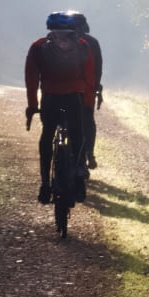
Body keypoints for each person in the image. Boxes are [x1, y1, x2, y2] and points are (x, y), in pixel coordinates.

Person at [25, 11, 96, 205]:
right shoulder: (82, 46)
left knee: (47, 136)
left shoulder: (38, 47)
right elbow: (89, 78)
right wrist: (88, 103)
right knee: (78, 135)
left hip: (50, 99)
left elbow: (31, 79)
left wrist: (32, 105)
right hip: (74, 99)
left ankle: (45, 183)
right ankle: (79, 177)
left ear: (50, 29)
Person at [65, 10, 103, 169]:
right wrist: (96, 87)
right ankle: (89, 154)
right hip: (86, 90)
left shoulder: (56, 40)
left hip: (63, 90)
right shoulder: (92, 42)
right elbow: (98, 69)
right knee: (87, 122)